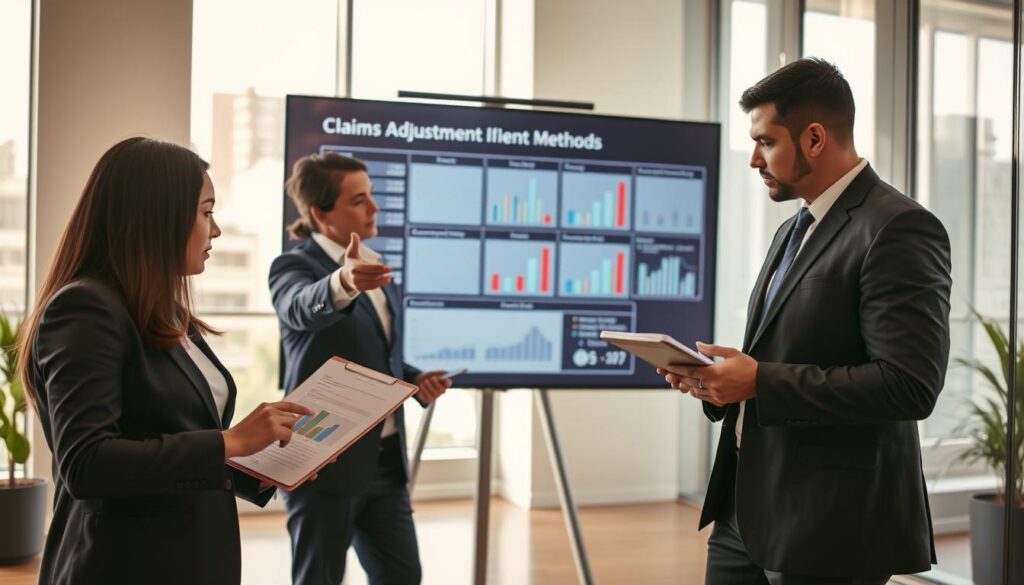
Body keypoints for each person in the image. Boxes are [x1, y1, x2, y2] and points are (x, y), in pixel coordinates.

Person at [660, 58, 952, 584]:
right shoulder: (793, 228)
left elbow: (909, 385)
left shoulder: (900, 227)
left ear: (814, 138)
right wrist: (718, 383)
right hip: (744, 509)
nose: (754, 159)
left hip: (830, 523)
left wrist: (759, 381)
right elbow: (784, 354)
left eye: (765, 142)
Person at [20, 137, 314, 585]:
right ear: (158, 216)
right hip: (122, 566)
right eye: (206, 212)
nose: (215, 230)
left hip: (190, 559)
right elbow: (87, 462)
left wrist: (270, 464)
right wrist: (230, 442)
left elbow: (175, 436)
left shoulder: (163, 310)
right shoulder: (86, 308)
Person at [270, 152, 450, 585]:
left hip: (384, 463)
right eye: (359, 200)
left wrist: (412, 378)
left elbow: (372, 352)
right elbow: (299, 308)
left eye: (371, 196)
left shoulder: (373, 264)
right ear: (320, 213)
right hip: (324, 464)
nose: (374, 207)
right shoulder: (294, 266)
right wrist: (343, 282)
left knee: (403, 577)